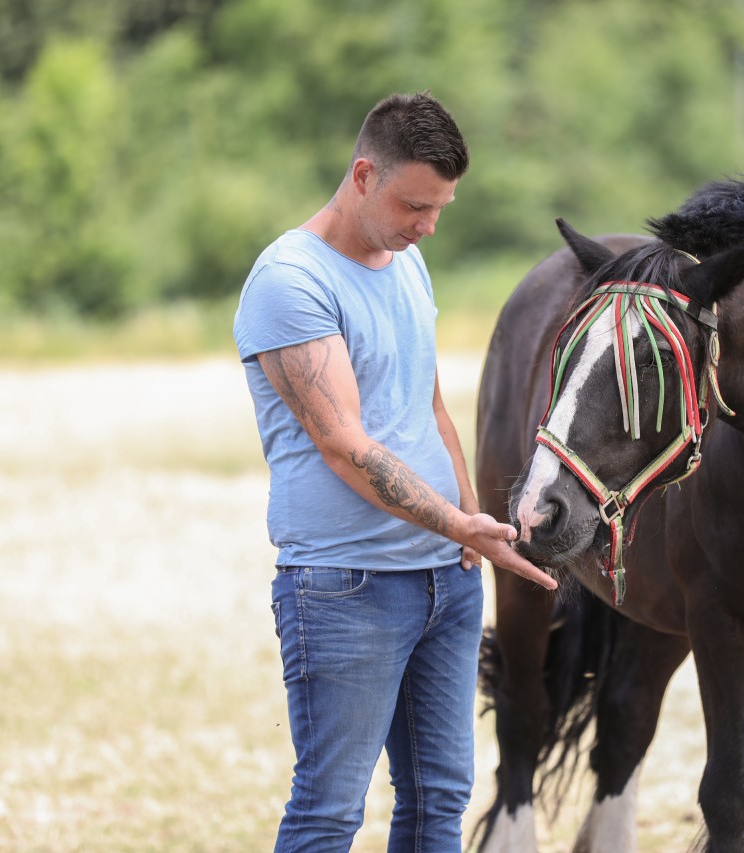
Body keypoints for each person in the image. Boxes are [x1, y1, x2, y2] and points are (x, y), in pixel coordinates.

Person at [232, 91, 557, 853]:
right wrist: (454, 522)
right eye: (415, 204)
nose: (427, 226)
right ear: (362, 174)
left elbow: (429, 408)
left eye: (440, 208)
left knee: (440, 801)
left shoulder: (408, 264)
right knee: (329, 810)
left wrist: (472, 530)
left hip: (444, 577)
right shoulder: (291, 280)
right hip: (347, 584)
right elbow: (344, 442)